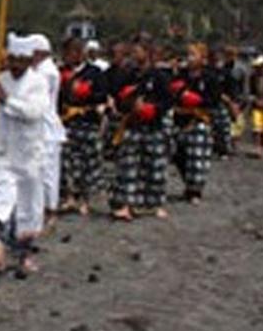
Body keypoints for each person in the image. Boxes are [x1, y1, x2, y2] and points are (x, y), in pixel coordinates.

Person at [0, 33, 52, 276]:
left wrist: (8, 100)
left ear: (30, 60)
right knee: (1, 201)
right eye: (13, 59)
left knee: (28, 207)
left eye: (22, 60)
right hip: (1, 154)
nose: (17, 65)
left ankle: (24, 255)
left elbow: (35, 111)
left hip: (29, 155)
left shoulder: (38, 82)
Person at [109, 41, 173, 221]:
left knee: (154, 166)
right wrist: (127, 102)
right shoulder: (128, 75)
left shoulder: (159, 76)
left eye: (138, 51)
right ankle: (125, 203)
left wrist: (153, 109)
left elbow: (168, 101)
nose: (134, 54)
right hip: (132, 124)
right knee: (128, 165)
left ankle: (155, 204)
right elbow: (117, 96)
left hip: (153, 126)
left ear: (147, 52)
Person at [59, 38, 109, 215]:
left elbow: (102, 96)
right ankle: (69, 196)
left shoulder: (95, 73)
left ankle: (86, 199)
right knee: (67, 160)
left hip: (88, 121)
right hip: (67, 122)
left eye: (77, 51)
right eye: (69, 52)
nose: (73, 55)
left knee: (89, 161)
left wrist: (88, 95)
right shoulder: (61, 72)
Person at [171, 44, 216, 204]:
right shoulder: (181, 76)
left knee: (196, 157)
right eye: (188, 54)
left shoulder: (209, 77)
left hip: (199, 119)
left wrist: (196, 100)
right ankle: (188, 183)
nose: (189, 58)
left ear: (202, 58)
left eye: (193, 55)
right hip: (179, 119)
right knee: (177, 154)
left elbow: (213, 101)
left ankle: (195, 191)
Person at [35, 36, 66, 228]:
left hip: (46, 129)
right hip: (39, 128)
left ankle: (50, 210)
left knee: (48, 172)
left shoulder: (46, 72)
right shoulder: (40, 70)